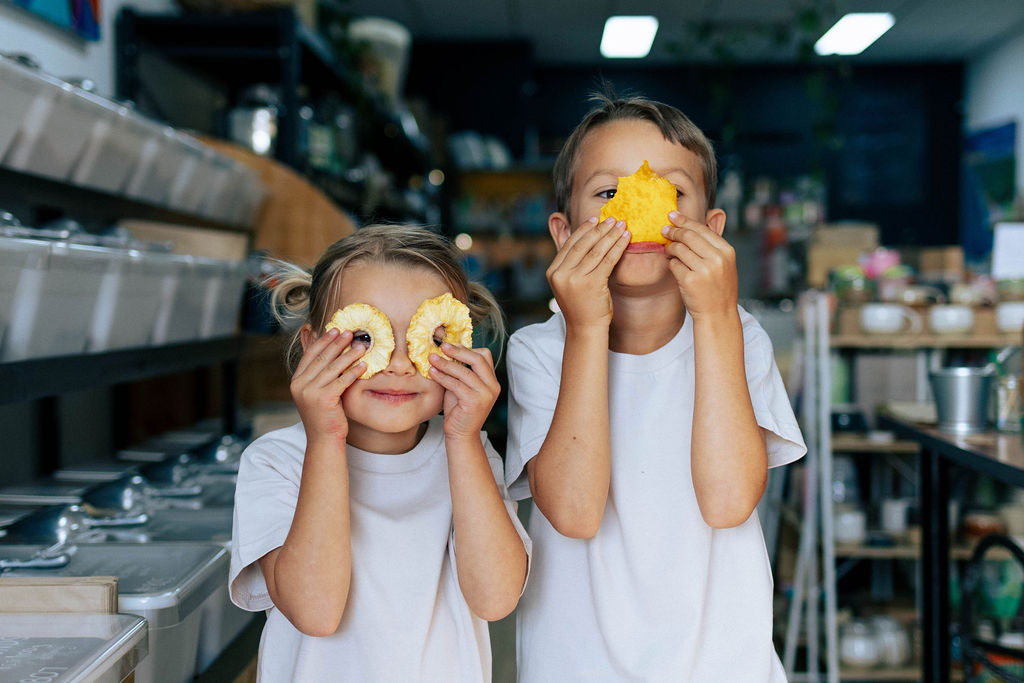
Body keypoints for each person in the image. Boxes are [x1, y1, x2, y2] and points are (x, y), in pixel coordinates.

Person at [504, 93, 806, 681]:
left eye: (669, 191)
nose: (638, 208)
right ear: (564, 233)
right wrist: (587, 326)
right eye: (608, 193)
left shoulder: (739, 337)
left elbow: (728, 502)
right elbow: (574, 511)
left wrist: (717, 317)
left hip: (723, 664)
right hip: (578, 665)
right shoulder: (539, 351)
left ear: (712, 229)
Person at [230, 224, 530, 681]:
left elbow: (495, 599)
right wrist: (325, 437)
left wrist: (465, 438)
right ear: (312, 347)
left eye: (426, 336)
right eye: (366, 336)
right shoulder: (276, 461)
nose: (398, 362)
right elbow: (315, 612)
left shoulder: (469, 454)